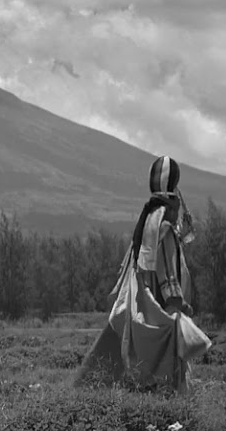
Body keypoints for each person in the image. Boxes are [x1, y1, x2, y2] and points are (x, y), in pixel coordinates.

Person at [75, 155, 212, 392]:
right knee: (166, 369)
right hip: (161, 306)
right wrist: (177, 303)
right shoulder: (165, 228)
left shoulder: (149, 220)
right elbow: (167, 269)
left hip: (141, 302)